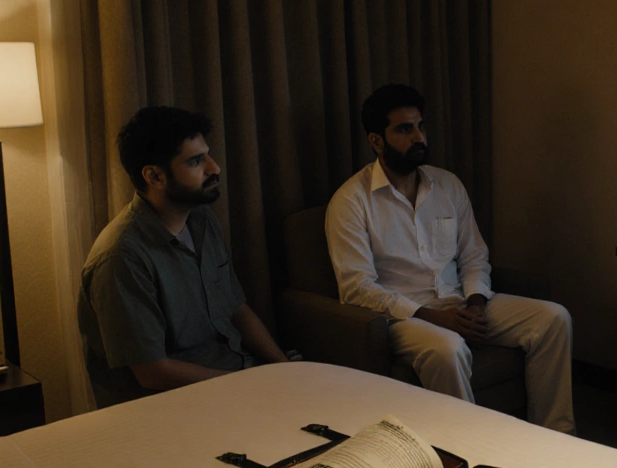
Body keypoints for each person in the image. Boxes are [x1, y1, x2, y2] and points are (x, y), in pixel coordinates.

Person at [325, 84, 575, 433]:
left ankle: (556, 435)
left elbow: (474, 254)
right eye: (404, 129)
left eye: (420, 126)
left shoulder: (447, 185)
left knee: (553, 318)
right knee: (449, 347)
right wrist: (434, 317)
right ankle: (468, 450)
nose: (418, 137)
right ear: (376, 140)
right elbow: (357, 288)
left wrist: (474, 303)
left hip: (459, 301)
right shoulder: (351, 201)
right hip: (403, 317)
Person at [79, 106, 293, 407]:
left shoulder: (201, 220)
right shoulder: (120, 257)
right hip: (171, 407)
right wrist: (246, 387)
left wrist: (285, 371)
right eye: (196, 162)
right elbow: (152, 372)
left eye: (207, 155)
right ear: (154, 176)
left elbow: (236, 309)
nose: (214, 168)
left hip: (236, 378)